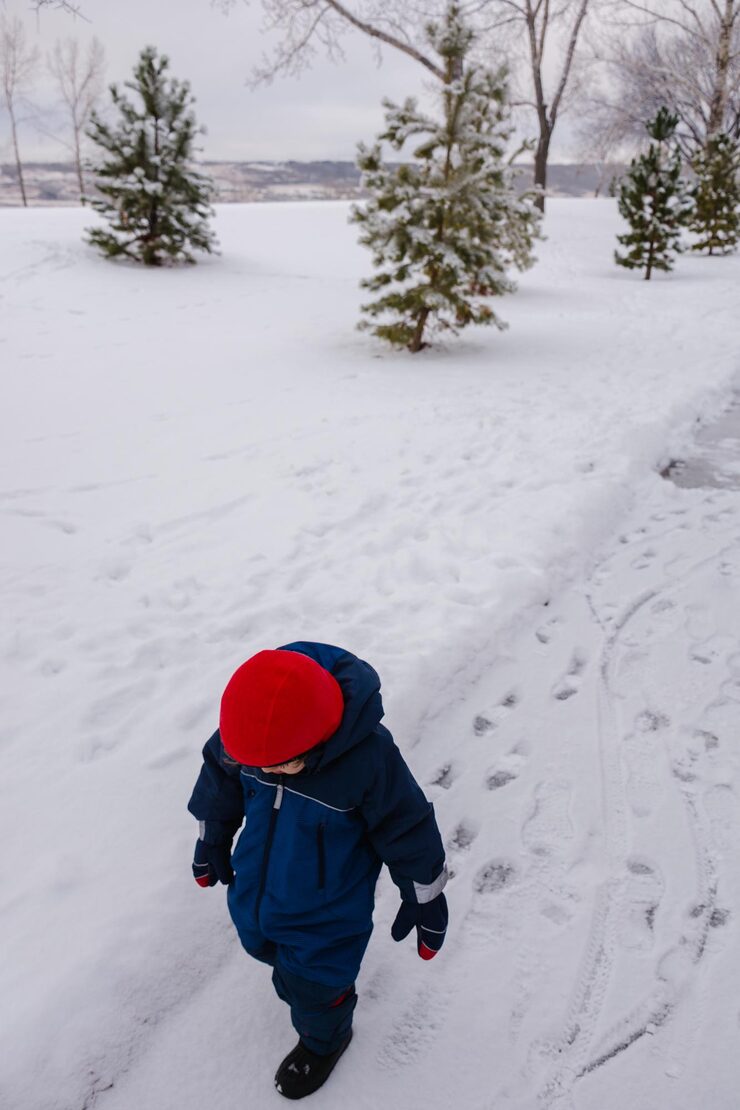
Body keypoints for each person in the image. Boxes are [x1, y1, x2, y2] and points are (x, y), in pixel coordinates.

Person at [188, 641, 448, 1100]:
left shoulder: (366, 761)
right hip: (256, 891)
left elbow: (405, 825)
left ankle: (325, 1038)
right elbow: (219, 778)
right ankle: (297, 983)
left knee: (316, 987)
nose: (271, 770)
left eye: (286, 763)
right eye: (259, 765)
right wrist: (213, 835)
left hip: (329, 912)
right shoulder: (247, 737)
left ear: (322, 733)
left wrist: (424, 893)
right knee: (264, 948)